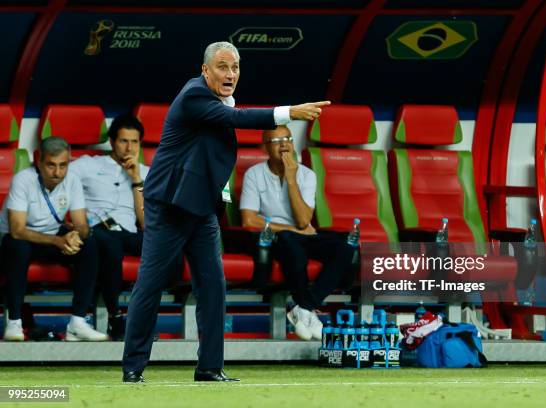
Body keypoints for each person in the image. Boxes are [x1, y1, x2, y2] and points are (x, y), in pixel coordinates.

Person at [121, 41, 330, 383]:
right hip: (170, 207)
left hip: (201, 209)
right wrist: (289, 112)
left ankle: (209, 367)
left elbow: (209, 153)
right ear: (205, 71)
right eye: (222, 66)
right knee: (151, 285)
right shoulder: (195, 96)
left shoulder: (219, 101)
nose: (230, 73)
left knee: (213, 286)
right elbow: (238, 118)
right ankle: (132, 367)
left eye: (234, 67)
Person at [240, 125, 355, 341]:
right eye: (276, 141)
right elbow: (249, 220)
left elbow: (303, 220)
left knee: (344, 247)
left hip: (302, 235)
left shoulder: (307, 175)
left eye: (288, 139)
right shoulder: (254, 174)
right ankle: (306, 309)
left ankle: (304, 307)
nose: (284, 145)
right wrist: (290, 229)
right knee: (290, 243)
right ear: (265, 147)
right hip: (273, 238)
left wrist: (291, 178)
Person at [0, 136, 107, 342]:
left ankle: (77, 322)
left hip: (50, 237)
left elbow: (81, 223)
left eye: (63, 165)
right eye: (51, 165)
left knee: (90, 245)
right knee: (18, 247)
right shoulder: (23, 179)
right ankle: (14, 323)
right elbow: (17, 230)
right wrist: (59, 241)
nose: (57, 173)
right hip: (16, 241)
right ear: (40, 162)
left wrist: (76, 236)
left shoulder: (72, 180)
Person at [69, 114, 149, 340]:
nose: (129, 147)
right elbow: (59, 184)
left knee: (163, 245)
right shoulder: (88, 164)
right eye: (124, 141)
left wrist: (135, 179)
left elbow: (145, 222)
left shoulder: (146, 172)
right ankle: (116, 316)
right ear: (113, 142)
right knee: (108, 243)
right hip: (97, 231)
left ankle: (137, 319)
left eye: (134, 142)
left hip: (130, 234)